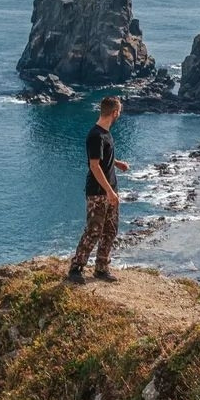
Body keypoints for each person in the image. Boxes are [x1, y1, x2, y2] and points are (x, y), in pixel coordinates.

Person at [67, 96, 128, 284]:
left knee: (110, 230)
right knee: (93, 230)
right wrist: (109, 191)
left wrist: (117, 163)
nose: (119, 114)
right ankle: (76, 268)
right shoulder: (96, 135)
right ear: (114, 112)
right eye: (119, 111)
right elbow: (94, 165)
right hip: (98, 192)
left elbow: (102, 157)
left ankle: (101, 268)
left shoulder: (105, 134)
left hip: (110, 190)